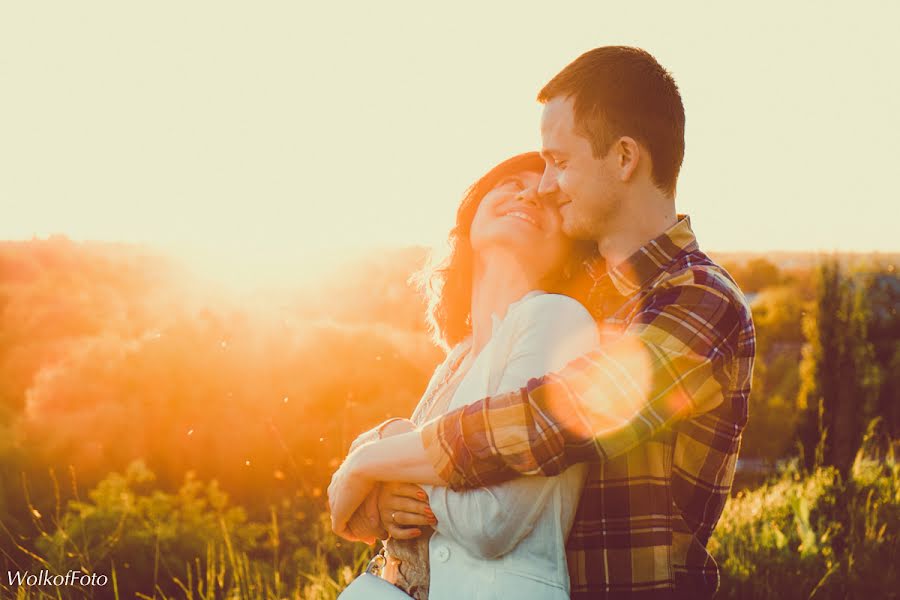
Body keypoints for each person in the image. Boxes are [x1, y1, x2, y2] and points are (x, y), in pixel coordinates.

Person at [329, 46, 756, 599]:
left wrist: (371, 459)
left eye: (559, 161)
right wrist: (386, 489)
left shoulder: (700, 300)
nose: (546, 185)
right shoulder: (585, 302)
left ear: (625, 159)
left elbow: (546, 423)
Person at [341, 151, 601, 599]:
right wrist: (381, 494)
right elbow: (354, 520)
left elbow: (492, 520)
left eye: (548, 196)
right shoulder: (456, 362)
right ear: (471, 212)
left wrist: (375, 458)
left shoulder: (558, 319)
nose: (528, 193)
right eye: (509, 182)